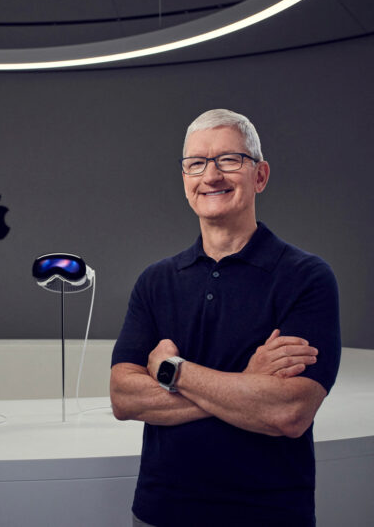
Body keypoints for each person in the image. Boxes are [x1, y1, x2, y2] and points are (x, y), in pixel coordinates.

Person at [110, 109, 341, 527]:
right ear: (185, 180)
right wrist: (247, 383)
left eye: (229, 160)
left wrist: (171, 370)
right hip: (161, 512)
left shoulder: (306, 277)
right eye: (196, 163)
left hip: (268, 514)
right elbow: (124, 399)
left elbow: (288, 412)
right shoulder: (155, 281)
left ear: (260, 175)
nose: (210, 176)